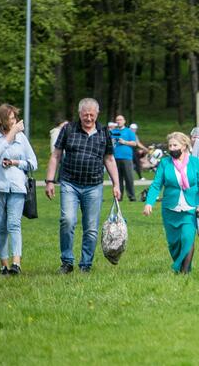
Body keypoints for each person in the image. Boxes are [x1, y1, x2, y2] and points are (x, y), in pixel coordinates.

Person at [45, 98, 121, 274]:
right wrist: (50, 181)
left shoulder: (103, 132)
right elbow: (56, 155)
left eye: (92, 115)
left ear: (97, 114)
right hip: (69, 183)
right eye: (85, 115)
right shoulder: (68, 129)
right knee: (67, 220)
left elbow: (109, 159)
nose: (88, 118)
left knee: (91, 227)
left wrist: (116, 184)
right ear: (79, 114)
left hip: (94, 186)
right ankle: (67, 262)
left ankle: (86, 264)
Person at [142, 132, 199, 273]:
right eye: (170, 145)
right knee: (174, 243)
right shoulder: (165, 163)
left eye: (175, 145)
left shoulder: (194, 162)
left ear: (184, 146)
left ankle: (184, 272)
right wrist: (149, 203)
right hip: (170, 209)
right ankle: (180, 266)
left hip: (190, 207)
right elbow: (156, 185)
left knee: (187, 238)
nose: (172, 148)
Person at [0, 104, 37, 275]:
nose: (14, 122)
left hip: (17, 187)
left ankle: (16, 264)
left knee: (14, 224)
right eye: (10, 119)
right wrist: (12, 133)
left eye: (15, 118)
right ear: (1, 120)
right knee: (0, 226)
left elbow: (33, 163)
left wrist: (16, 163)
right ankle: (4, 265)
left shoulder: (21, 138)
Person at [111, 115, 138, 201]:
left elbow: (135, 143)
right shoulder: (112, 131)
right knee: (117, 178)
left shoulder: (129, 131)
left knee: (129, 177)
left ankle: (132, 196)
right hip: (115, 157)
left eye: (120, 120)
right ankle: (119, 197)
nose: (119, 121)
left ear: (124, 121)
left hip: (126, 157)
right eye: (117, 120)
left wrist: (124, 142)